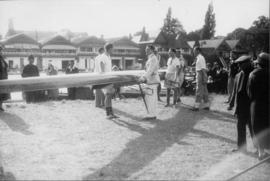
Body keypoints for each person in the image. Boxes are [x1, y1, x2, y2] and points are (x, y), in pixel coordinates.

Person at [228, 55, 254, 152]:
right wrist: (231, 103)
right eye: (238, 64)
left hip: (250, 105)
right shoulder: (238, 75)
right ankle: (241, 148)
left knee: (252, 128)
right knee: (240, 127)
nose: (239, 66)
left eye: (241, 64)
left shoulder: (252, 74)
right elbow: (235, 91)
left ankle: (259, 148)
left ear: (247, 63)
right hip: (240, 106)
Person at [247, 53, 270, 160]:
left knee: (257, 127)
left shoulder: (252, 75)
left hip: (256, 105)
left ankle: (261, 153)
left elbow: (249, 93)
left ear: (259, 63)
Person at [139, 45, 160, 120]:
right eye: (146, 49)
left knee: (151, 98)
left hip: (153, 81)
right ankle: (151, 114)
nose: (146, 51)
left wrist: (143, 78)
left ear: (152, 50)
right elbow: (147, 70)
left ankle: (151, 115)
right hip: (150, 81)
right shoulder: (150, 58)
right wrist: (143, 76)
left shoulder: (153, 58)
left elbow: (150, 70)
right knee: (148, 97)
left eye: (147, 49)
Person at [99, 43, 118, 119]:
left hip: (109, 78)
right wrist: (105, 79)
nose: (113, 50)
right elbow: (102, 67)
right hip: (105, 79)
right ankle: (108, 114)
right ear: (109, 49)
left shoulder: (108, 56)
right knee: (108, 95)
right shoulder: (103, 56)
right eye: (112, 49)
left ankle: (111, 113)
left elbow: (108, 69)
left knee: (110, 96)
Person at [191, 46, 210, 111]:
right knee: (204, 91)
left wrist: (205, 78)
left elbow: (203, 69)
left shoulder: (200, 58)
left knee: (198, 90)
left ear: (198, 51)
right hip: (200, 73)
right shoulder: (199, 58)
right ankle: (206, 105)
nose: (193, 52)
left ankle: (196, 106)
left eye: (194, 51)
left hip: (200, 74)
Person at [0, 46, 10, 111]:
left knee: (2, 93)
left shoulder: (2, 58)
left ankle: (0, 106)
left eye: (0, 50)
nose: (0, 52)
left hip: (3, 77)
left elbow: (5, 66)